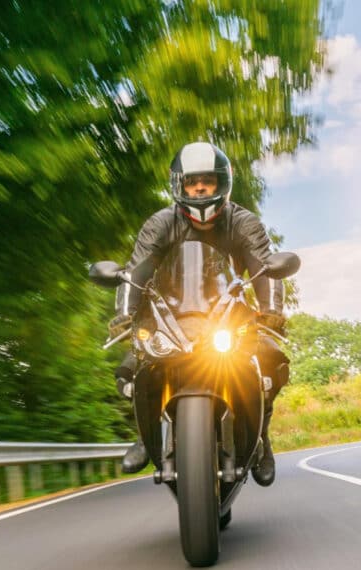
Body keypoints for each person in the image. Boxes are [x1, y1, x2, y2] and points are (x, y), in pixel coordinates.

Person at [108, 141, 289, 486]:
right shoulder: (160, 223)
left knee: (272, 358)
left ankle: (262, 437)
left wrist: (271, 312)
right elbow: (136, 271)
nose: (200, 187)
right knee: (133, 364)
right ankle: (146, 435)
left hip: (227, 313)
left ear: (222, 182)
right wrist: (126, 314)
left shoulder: (243, 222)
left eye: (207, 179)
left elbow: (266, 268)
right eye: (193, 182)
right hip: (171, 315)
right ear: (180, 185)